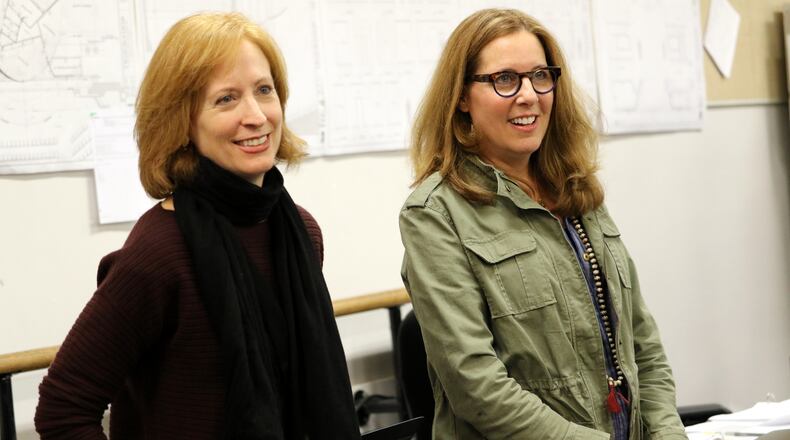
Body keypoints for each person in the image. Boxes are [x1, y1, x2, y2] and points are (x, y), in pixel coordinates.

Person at [35, 12, 360, 439]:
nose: (256, 116)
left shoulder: (301, 232)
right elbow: (62, 410)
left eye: (264, 90)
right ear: (182, 121)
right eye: (226, 99)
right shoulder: (159, 253)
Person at [399, 8, 687, 440]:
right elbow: (477, 388)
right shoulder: (435, 214)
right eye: (505, 79)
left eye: (540, 76)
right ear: (461, 97)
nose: (529, 95)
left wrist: (667, 432)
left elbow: (642, 342)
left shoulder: (577, 191)